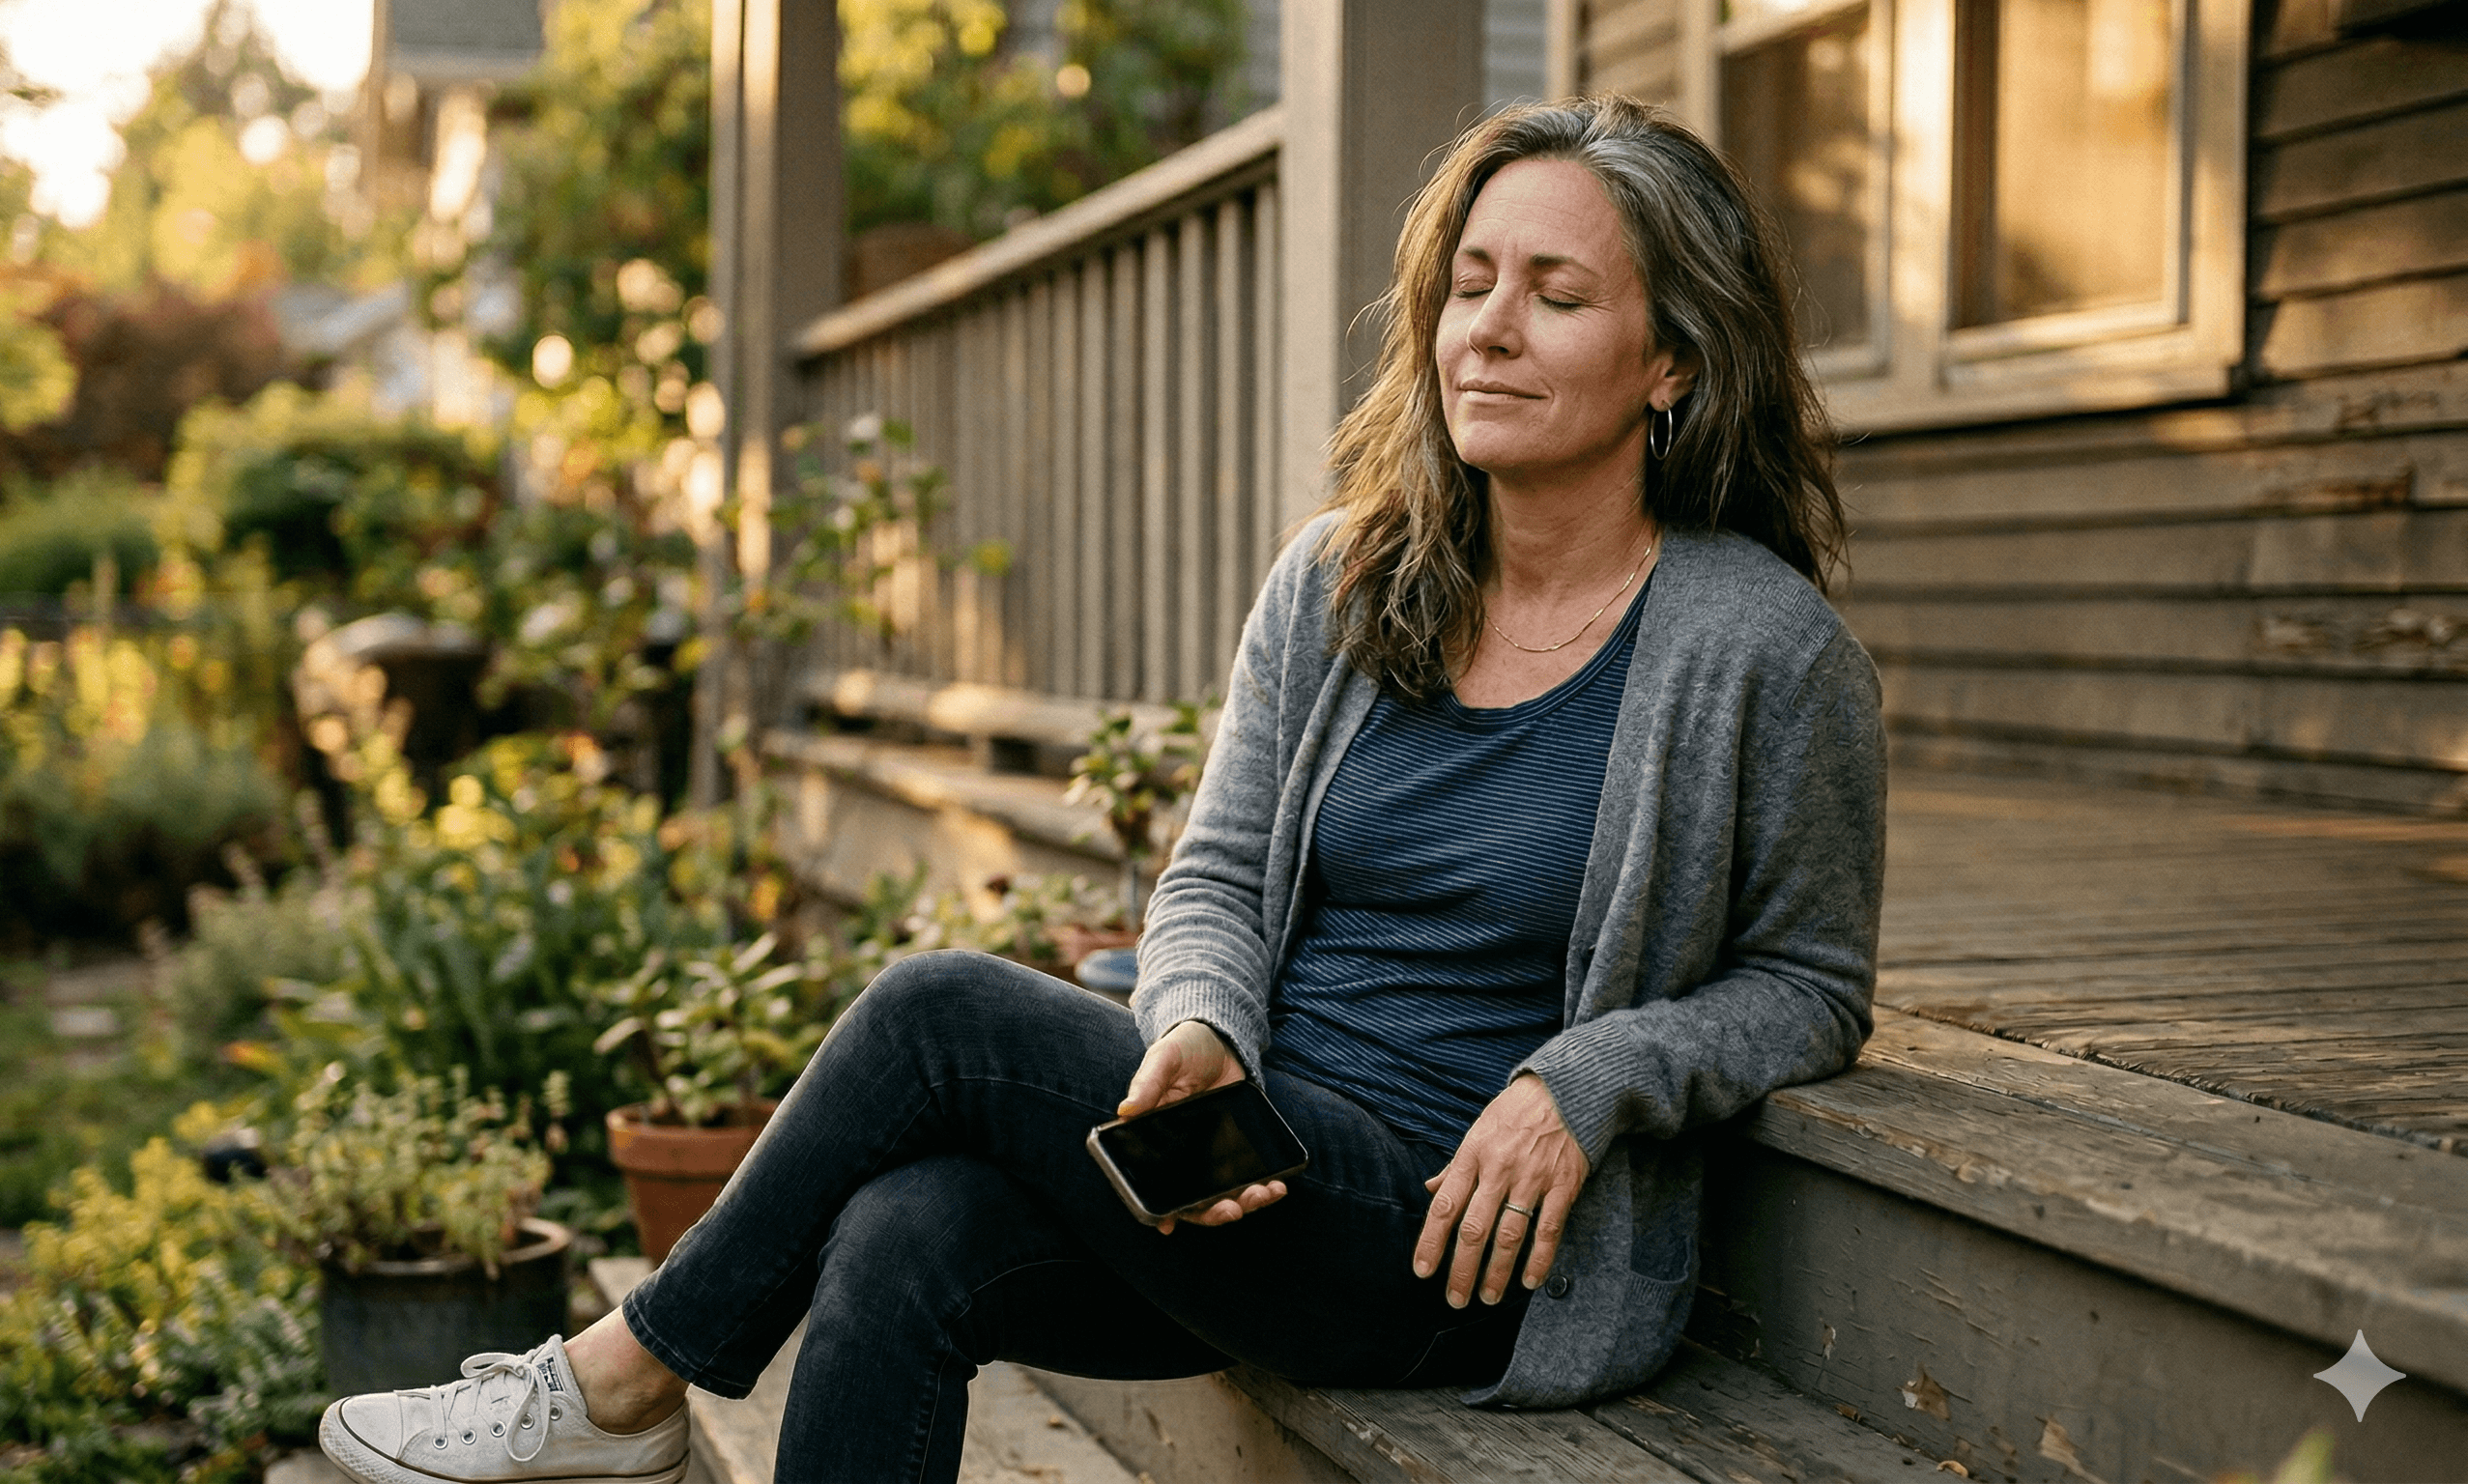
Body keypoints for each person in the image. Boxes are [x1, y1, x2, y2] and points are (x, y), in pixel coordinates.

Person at [315, 93, 1883, 1484]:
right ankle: (630, 1391)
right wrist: (1195, 1021)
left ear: (1670, 356)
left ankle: (626, 1374)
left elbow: (1809, 985)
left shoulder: (1758, 647)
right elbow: (1211, 874)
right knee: (904, 1235)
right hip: (1237, 1167)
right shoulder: (1346, 581)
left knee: (938, 1008)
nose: (1489, 327)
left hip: (1448, 1243)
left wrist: (1588, 1077)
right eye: (1469, 284)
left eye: (1556, 294)